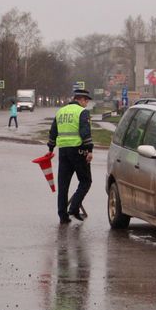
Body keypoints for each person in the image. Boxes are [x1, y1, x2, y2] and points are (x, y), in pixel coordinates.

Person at [48, 89, 94, 224]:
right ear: (81, 99)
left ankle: (63, 215)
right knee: (86, 181)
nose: (86, 103)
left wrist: (51, 148)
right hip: (78, 151)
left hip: (63, 151)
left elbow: (53, 131)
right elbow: (85, 132)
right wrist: (89, 150)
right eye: (86, 100)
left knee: (63, 185)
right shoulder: (82, 112)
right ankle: (74, 208)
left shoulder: (60, 111)